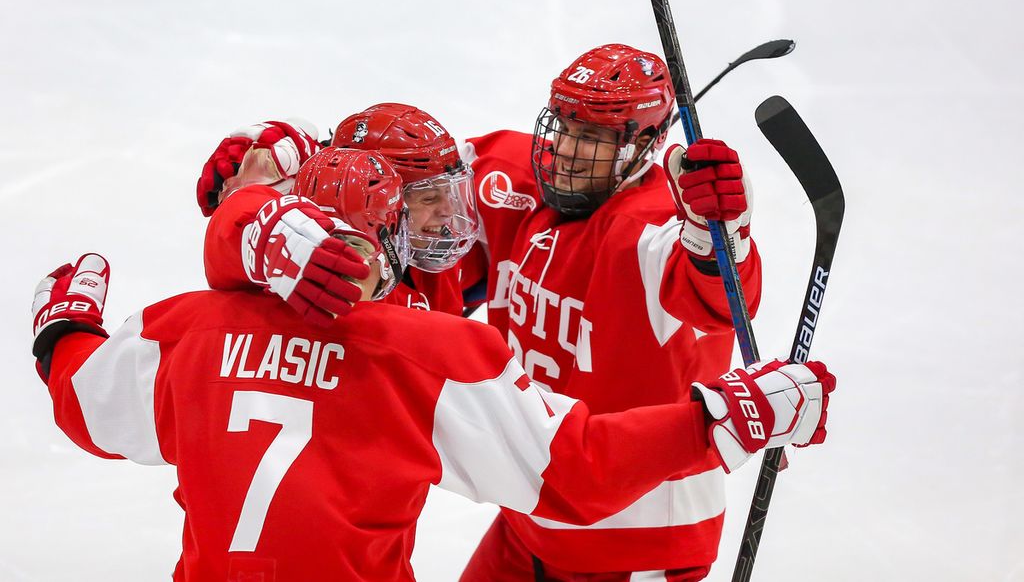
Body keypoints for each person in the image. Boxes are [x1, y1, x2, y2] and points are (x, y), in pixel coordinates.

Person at [30, 147, 834, 582]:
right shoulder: (428, 357)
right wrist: (724, 418)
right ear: (386, 247)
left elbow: (85, 405)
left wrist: (62, 327)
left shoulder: (187, 331)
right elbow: (578, 470)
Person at [197, 44, 765, 579]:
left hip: (633, 537)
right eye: (562, 125)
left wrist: (720, 232)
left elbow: (717, 299)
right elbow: (394, 181)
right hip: (531, 512)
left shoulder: (654, 229)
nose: (566, 149)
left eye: (591, 136)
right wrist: (298, 161)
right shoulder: (513, 178)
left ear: (642, 144)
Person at [197, 108, 485, 317]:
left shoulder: (427, 250)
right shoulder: (311, 262)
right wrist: (274, 229)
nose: (448, 213)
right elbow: (230, 231)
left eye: (451, 193)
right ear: (385, 198)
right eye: (430, 198)